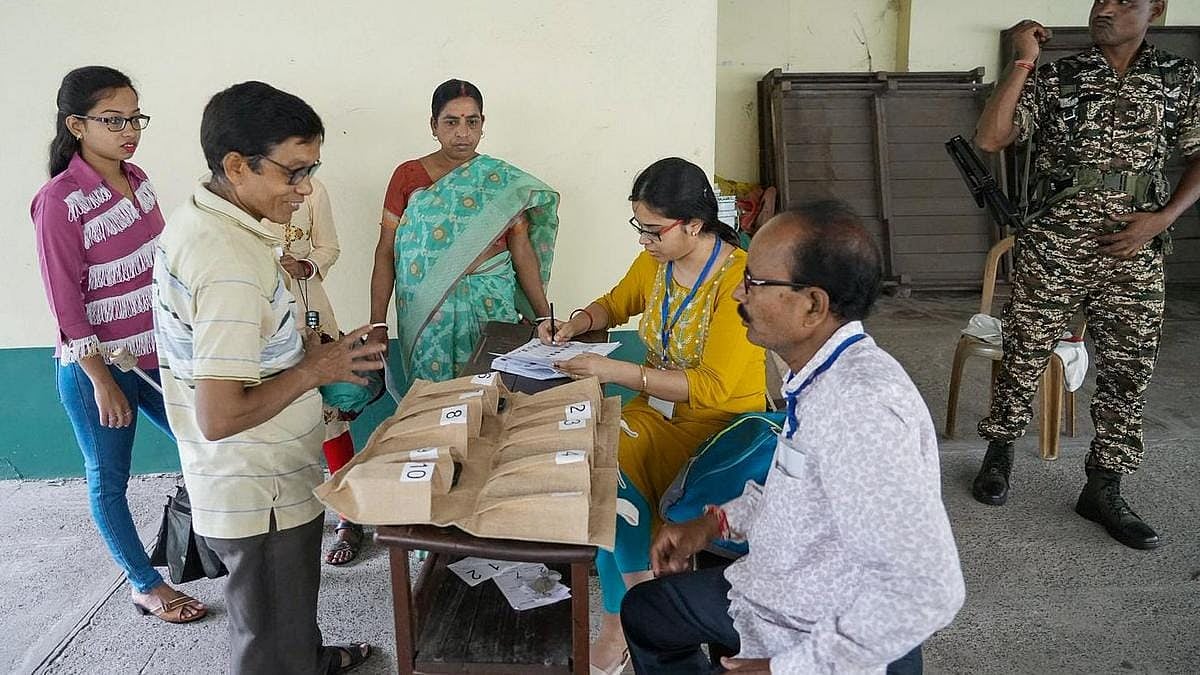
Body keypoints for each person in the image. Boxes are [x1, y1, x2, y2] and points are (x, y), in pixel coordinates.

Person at [620, 202, 965, 674]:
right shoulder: (819, 378)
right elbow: (800, 493)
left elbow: (927, 589)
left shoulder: (861, 408)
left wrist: (786, 669)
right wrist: (714, 525)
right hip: (785, 586)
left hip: (822, 623)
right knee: (649, 612)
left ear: (813, 305)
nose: (740, 293)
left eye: (756, 283)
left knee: (654, 614)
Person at [152, 81, 380, 674]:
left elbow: (235, 344)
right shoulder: (226, 260)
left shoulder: (212, 220)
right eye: (294, 173)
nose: (305, 189)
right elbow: (221, 415)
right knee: (268, 636)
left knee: (287, 613)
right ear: (236, 165)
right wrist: (314, 369)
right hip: (259, 489)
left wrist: (297, 347)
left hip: (265, 475)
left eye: (313, 170)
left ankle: (313, 660)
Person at [972, 0, 1200, 549]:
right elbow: (991, 136)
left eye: (1125, 1)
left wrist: (1163, 219)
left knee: (1128, 370)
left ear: (1157, 11)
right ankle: (999, 453)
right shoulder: (1059, 77)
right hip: (1056, 243)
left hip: (1134, 249)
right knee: (1024, 351)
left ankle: (1104, 486)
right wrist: (1023, 61)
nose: (1107, 9)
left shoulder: (1179, 77)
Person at [537, 157, 766, 674]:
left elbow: (710, 387)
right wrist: (576, 324)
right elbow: (616, 303)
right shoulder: (657, 263)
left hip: (716, 428)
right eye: (638, 227)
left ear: (694, 224)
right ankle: (636, 607)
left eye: (654, 229)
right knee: (599, 457)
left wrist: (612, 370)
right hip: (656, 415)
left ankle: (629, 616)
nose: (645, 240)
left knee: (612, 471)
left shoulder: (734, 282)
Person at [31, 66, 207, 625]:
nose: (129, 129)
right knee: (109, 478)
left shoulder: (140, 177)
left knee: (201, 444)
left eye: (135, 117)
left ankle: (213, 540)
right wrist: (102, 381)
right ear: (77, 125)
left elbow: (160, 268)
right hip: (97, 368)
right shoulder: (59, 201)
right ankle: (143, 583)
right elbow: (65, 303)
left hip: (157, 352)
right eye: (113, 119)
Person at [368, 78, 558, 394]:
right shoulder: (409, 176)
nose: (462, 132)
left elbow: (521, 249)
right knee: (434, 402)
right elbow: (386, 251)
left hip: (491, 305)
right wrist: (377, 324)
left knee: (495, 397)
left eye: (472, 122)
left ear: (483, 124)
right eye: (451, 122)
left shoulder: (502, 182)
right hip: (429, 314)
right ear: (434, 125)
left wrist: (541, 316)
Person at [270, 177, 365, 565]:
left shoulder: (314, 189)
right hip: (258, 316)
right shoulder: (237, 193)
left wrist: (306, 265)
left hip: (310, 310)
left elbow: (330, 247)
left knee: (330, 419)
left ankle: (348, 516)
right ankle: (284, 518)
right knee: (272, 417)